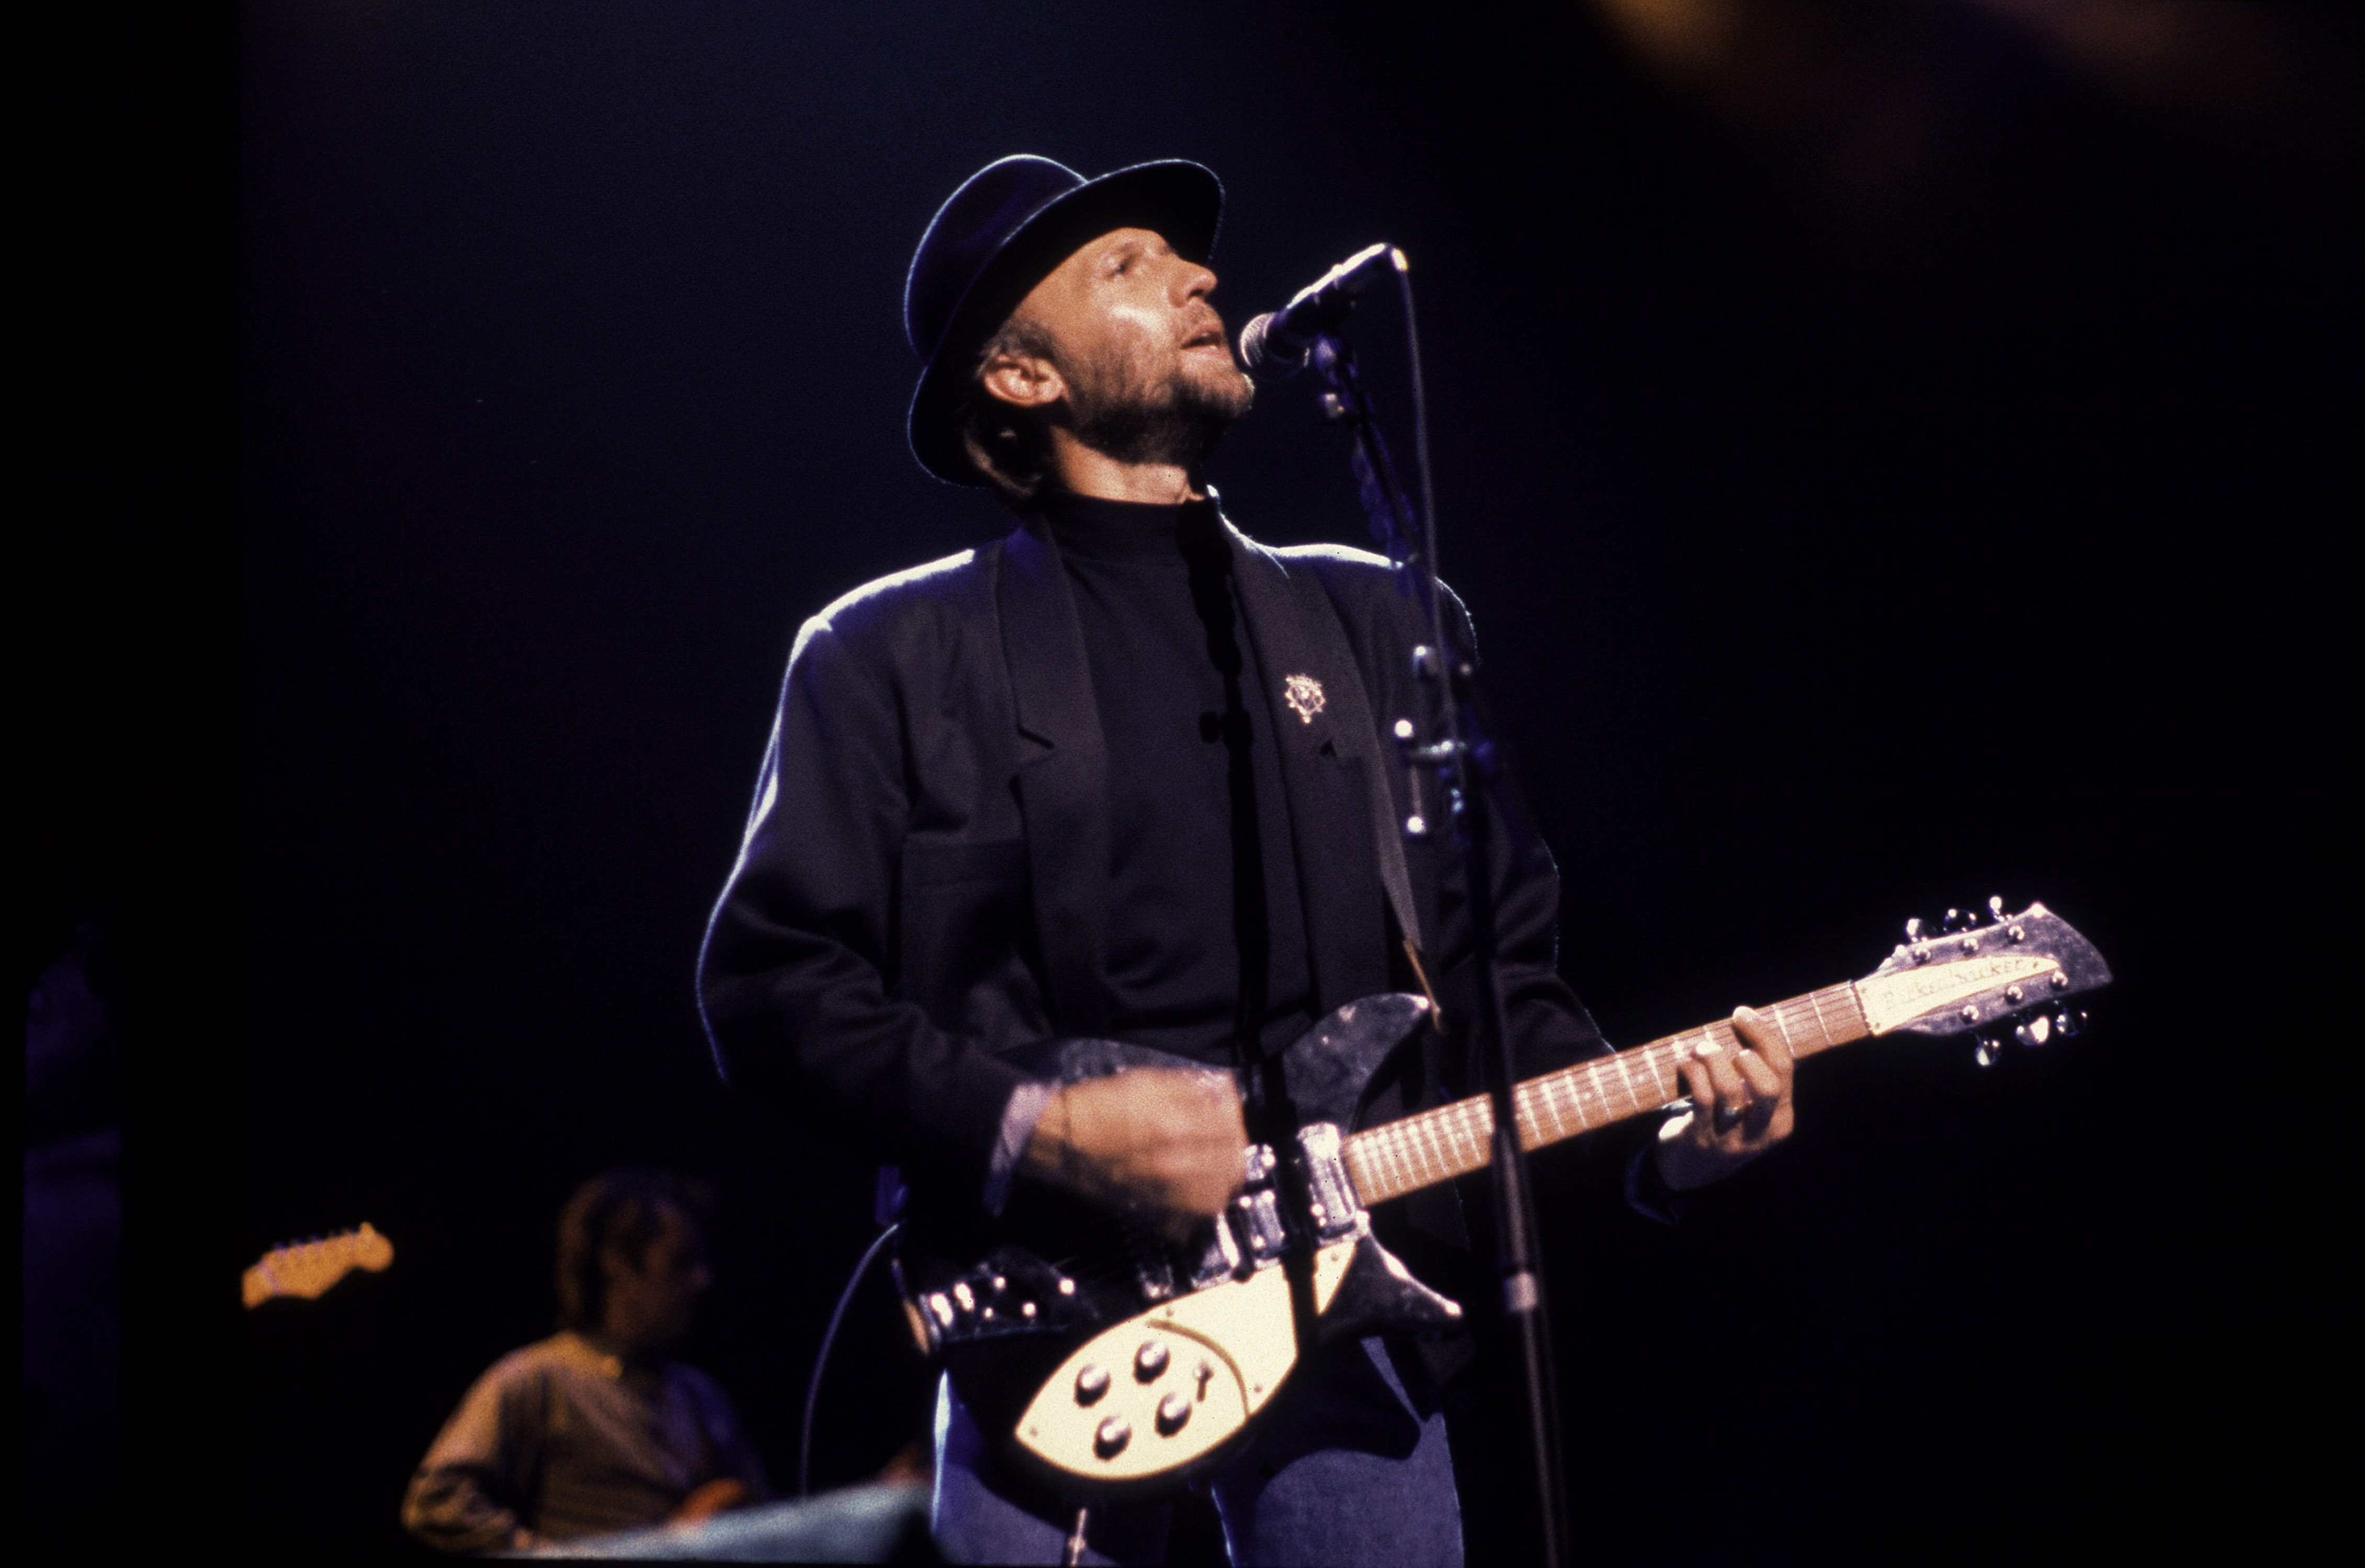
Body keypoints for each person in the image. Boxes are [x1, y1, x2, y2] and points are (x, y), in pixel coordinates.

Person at [697, 155, 1796, 1566]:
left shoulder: (1377, 618)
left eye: (1188, 257)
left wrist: (1672, 1148)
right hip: (1053, 1330)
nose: (1202, 276)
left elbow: (1494, 985)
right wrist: (1041, 1129)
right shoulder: (891, 654)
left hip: (1350, 1319)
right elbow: (772, 987)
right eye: (1128, 265)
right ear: (1021, 378)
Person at [400, 1168, 770, 1554]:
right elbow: (436, 1500)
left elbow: (766, 1518)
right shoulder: (536, 1377)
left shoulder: (702, 1397)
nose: (702, 1279)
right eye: (681, 1261)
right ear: (616, 1263)